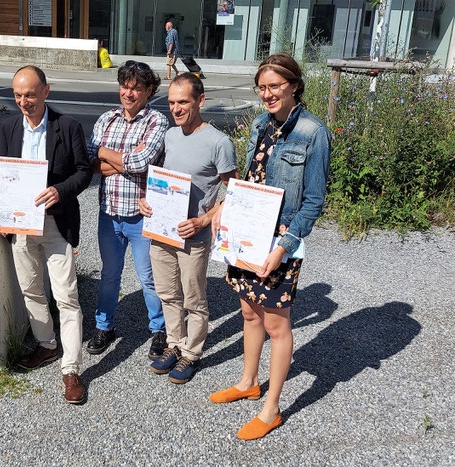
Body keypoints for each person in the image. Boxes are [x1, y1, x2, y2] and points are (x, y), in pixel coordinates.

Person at [209, 52, 331, 440]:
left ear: (294, 85)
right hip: (248, 235)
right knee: (248, 314)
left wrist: (283, 246)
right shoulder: (261, 124)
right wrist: (224, 205)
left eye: (275, 86)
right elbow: (250, 179)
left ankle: (272, 407)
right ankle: (248, 382)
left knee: (277, 325)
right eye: (262, 88)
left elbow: (313, 201)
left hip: (279, 242)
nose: (267, 94)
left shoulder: (313, 132)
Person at [0, 65, 92, 404]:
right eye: (18, 95)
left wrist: (59, 191)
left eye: (30, 95)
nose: (24, 101)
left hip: (56, 223)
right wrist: (3, 212)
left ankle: (71, 369)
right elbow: (4, 171)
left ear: (46, 92)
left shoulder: (67, 127)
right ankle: (47, 345)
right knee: (30, 289)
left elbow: (84, 173)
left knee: (66, 296)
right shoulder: (9, 127)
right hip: (21, 224)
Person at [140, 73, 237, 383]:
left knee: (194, 298)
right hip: (163, 231)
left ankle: (192, 353)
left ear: (200, 101)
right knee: (168, 293)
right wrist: (148, 201)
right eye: (171, 102)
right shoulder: (170, 136)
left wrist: (204, 220)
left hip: (193, 235)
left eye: (183, 102)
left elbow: (234, 192)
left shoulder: (219, 142)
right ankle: (174, 344)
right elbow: (166, 181)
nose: (176, 108)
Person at [86, 60, 170, 361]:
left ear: (149, 91)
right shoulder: (107, 118)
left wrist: (105, 155)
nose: (129, 93)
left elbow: (142, 163)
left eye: (136, 88)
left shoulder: (157, 121)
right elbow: (90, 162)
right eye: (125, 86)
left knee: (149, 277)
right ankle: (103, 326)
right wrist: (121, 160)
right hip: (109, 212)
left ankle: (160, 330)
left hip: (142, 215)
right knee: (110, 274)